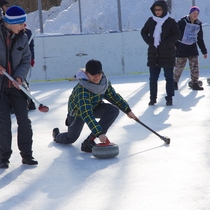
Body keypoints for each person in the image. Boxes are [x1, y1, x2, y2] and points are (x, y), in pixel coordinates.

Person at [52, 59, 138, 152]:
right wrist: (99, 133)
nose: (97, 77)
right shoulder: (82, 89)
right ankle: (57, 135)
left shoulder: (104, 82)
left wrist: (127, 110)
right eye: (93, 74)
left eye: (99, 74)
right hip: (78, 113)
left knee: (113, 110)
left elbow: (113, 96)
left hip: (95, 107)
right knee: (71, 138)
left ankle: (89, 141)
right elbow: (86, 113)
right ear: (87, 74)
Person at [0, 6, 38, 168]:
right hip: (0, 88)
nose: (24, 26)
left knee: (24, 121)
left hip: (17, 86)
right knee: (3, 123)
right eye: (21, 23)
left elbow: (26, 60)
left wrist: (19, 77)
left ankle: (27, 155)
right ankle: (3, 157)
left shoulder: (24, 37)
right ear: (11, 23)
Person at [141, 0, 181, 106]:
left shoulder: (170, 21)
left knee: (169, 77)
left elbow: (177, 34)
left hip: (167, 53)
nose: (157, 12)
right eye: (155, 10)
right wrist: (149, 41)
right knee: (153, 78)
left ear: (164, 9)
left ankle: (169, 98)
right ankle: (153, 98)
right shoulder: (151, 20)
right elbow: (143, 31)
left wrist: (167, 43)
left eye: (159, 9)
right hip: (154, 54)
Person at [173, 6, 207, 91]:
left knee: (195, 65)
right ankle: (174, 82)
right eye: (194, 13)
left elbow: (200, 38)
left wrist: (204, 51)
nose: (195, 15)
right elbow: (175, 34)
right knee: (179, 66)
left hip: (192, 46)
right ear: (190, 13)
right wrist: (174, 44)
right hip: (182, 46)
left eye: (197, 14)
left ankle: (195, 83)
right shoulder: (182, 22)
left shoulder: (198, 24)